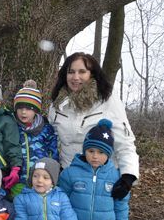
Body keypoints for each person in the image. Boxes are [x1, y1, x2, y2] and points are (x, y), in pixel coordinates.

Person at [49, 52, 139, 199]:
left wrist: (128, 177)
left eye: (82, 71)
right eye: (71, 72)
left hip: (100, 178)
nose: (75, 77)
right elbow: (51, 141)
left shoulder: (107, 100)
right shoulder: (57, 105)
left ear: (92, 74)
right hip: (68, 177)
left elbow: (125, 142)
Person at [11, 80, 58, 197]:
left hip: (41, 183)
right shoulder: (12, 127)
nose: (23, 112)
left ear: (36, 110)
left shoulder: (46, 129)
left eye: (29, 108)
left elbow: (53, 155)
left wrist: (52, 177)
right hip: (18, 182)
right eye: (20, 108)